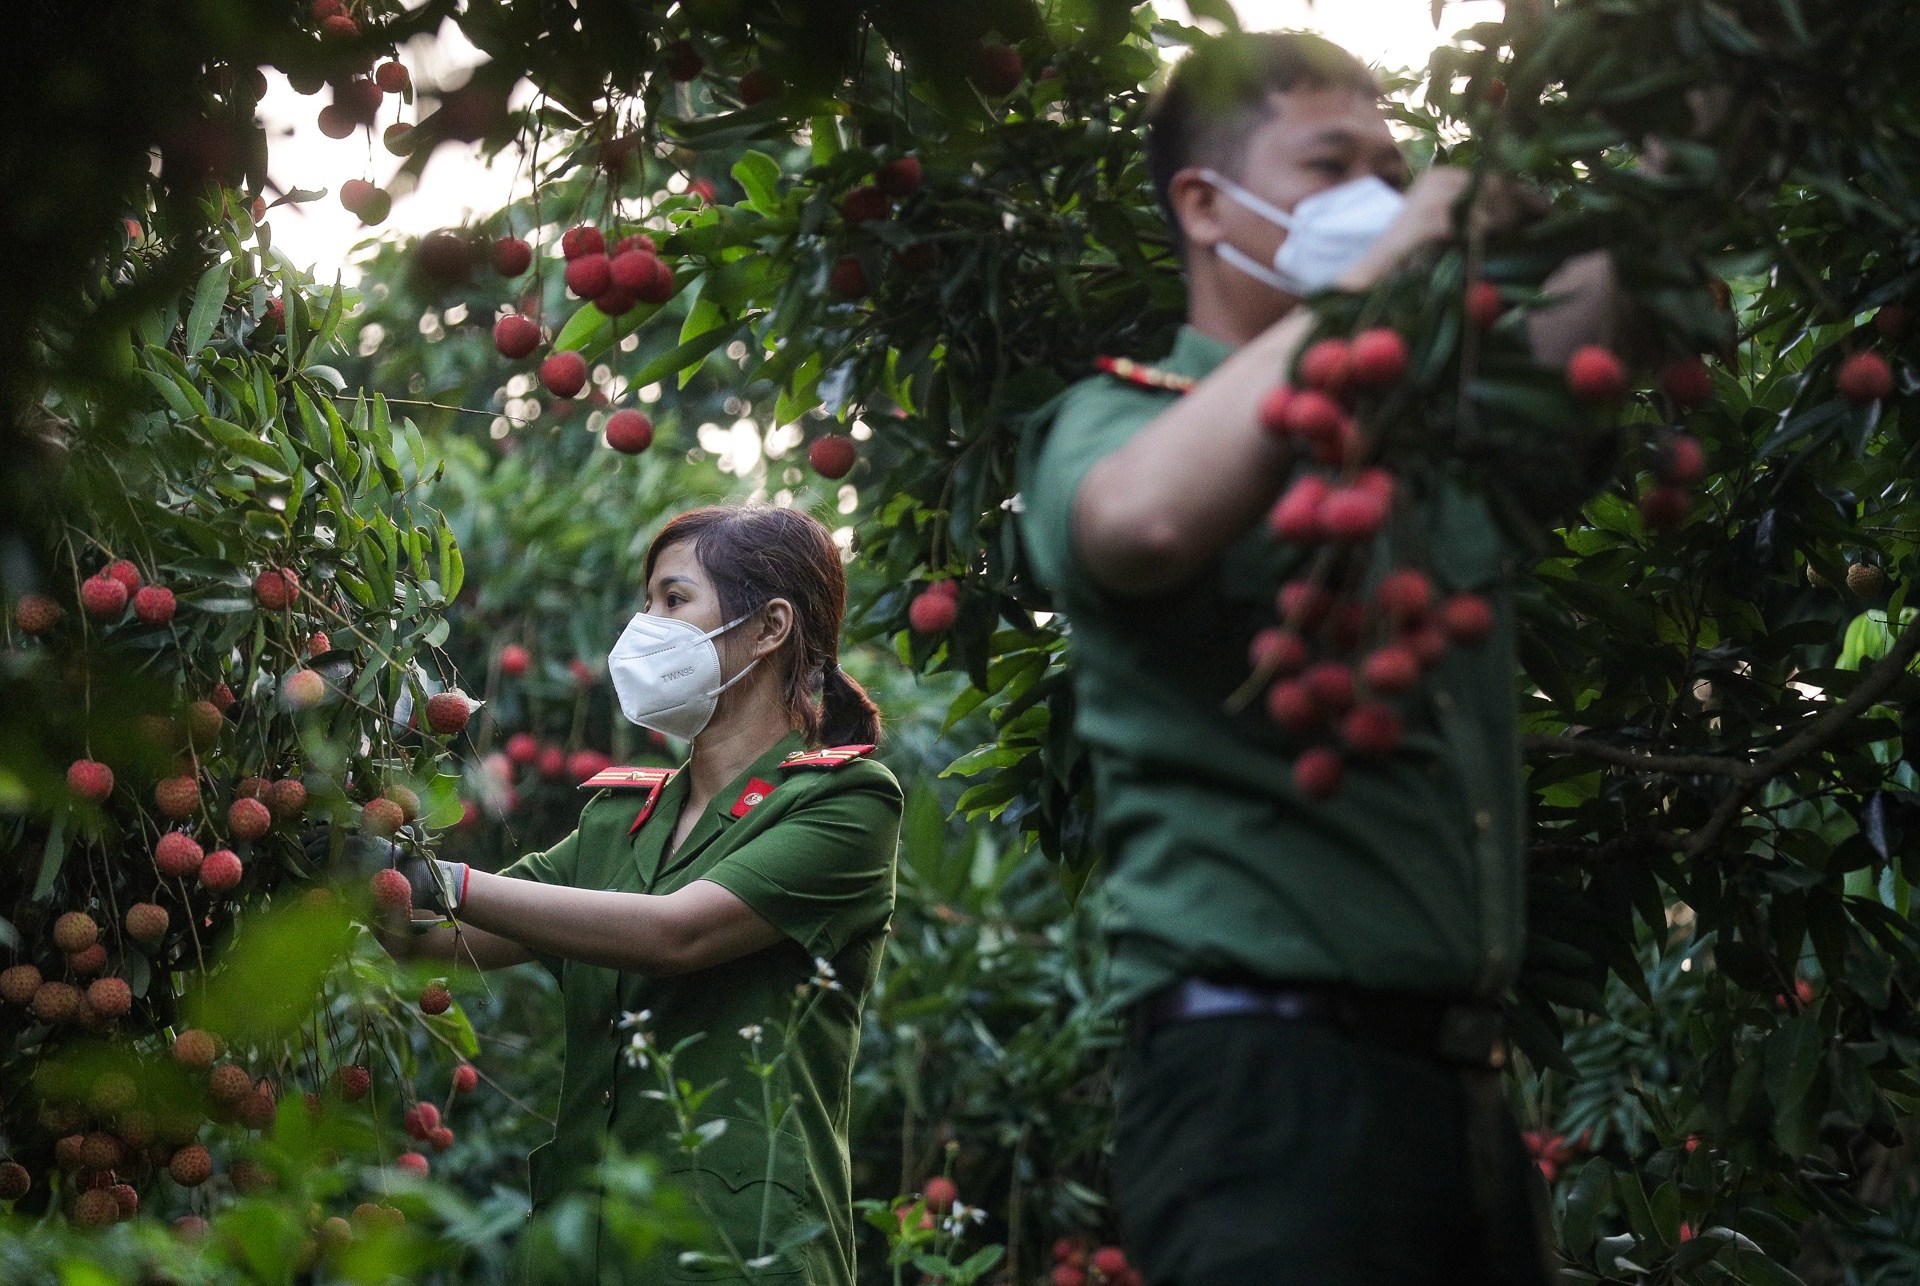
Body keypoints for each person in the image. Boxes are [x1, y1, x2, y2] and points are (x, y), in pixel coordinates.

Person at [1019, 31, 1619, 1286]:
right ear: (1202, 203)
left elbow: (1605, 304)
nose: (1378, 200)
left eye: (1393, 170)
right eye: (1331, 164)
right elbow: (1145, 523)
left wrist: (1646, 124)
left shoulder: (1421, 440)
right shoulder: (1120, 419)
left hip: (1460, 1091)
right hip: (1268, 1089)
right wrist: (1395, 260)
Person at [378, 505, 902, 1286]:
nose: (645, 625)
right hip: (587, 1251)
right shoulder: (620, 819)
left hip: (740, 1253)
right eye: (646, 601)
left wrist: (437, 877)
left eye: (673, 599)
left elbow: (674, 936)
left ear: (770, 628)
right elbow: (431, 939)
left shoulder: (849, 803)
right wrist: (353, 850)